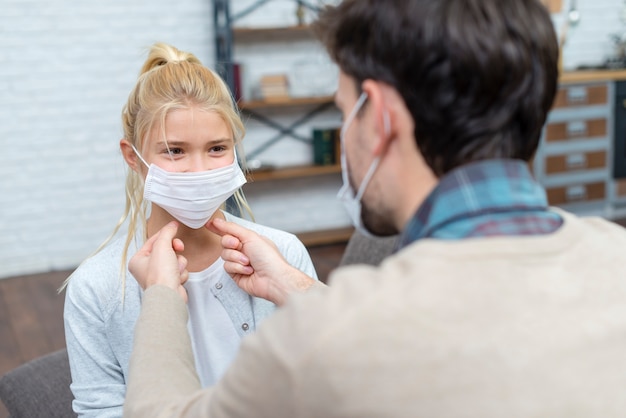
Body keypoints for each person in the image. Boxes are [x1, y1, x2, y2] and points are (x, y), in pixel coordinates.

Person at [125, 1, 626, 417]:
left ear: (379, 117)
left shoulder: (320, 344)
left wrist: (163, 296)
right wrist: (293, 286)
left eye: (345, 112)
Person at [62, 42, 317, 417]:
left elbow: (323, 379)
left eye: (217, 148)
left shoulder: (284, 254)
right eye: (175, 151)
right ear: (133, 157)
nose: (200, 171)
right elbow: (100, 409)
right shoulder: (96, 288)